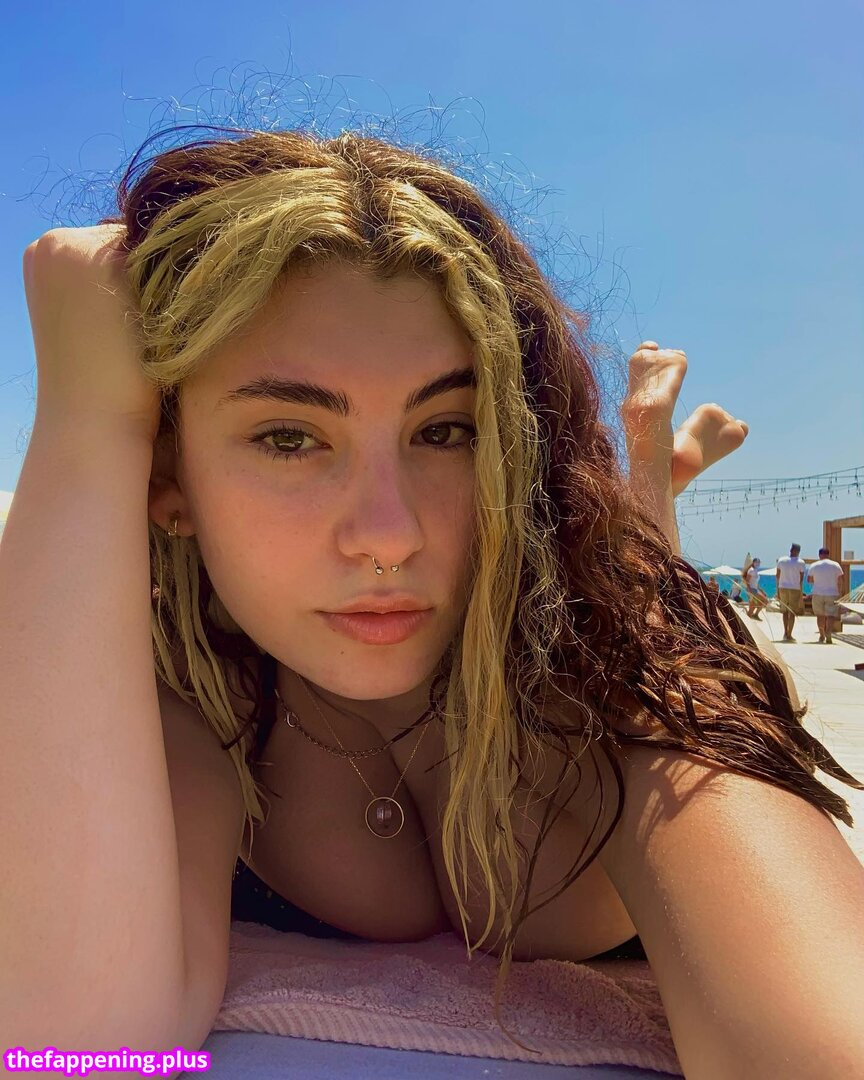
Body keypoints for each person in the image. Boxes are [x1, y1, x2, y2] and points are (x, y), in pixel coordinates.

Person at [6, 128, 863, 1078]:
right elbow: (72, 1044)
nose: (389, 534)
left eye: (446, 430)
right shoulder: (197, 694)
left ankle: (651, 460)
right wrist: (86, 420)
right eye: (289, 438)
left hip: (594, 606)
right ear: (170, 479)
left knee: (633, 561)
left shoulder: (623, 680)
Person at [807, 547, 845, 644]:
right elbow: (841, 579)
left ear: (819, 555)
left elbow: (809, 580)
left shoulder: (814, 565)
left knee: (820, 615)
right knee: (830, 615)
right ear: (828, 554)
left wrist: (818, 581)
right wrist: (839, 591)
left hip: (817, 593)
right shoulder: (836, 565)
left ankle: (821, 634)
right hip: (832, 593)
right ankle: (828, 633)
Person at [775, 543, 808, 641]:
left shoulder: (781, 560)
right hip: (794, 588)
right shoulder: (801, 562)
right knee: (792, 612)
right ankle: (789, 634)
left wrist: (778, 590)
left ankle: (785, 632)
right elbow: (801, 578)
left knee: (784, 611)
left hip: (782, 587)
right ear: (798, 551)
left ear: (791, 550)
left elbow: (777, 575)